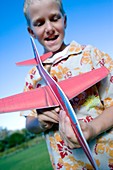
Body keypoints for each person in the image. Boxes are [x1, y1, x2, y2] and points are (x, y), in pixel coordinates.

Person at [21, 0, 113, 169]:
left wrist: (91, 129)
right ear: (31, 32)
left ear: (65, 20)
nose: (49, 28)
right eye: (39, 23)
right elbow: (30, 123)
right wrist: (40, 121)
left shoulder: (90, 54)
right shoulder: (33, 77)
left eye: (54, 18)